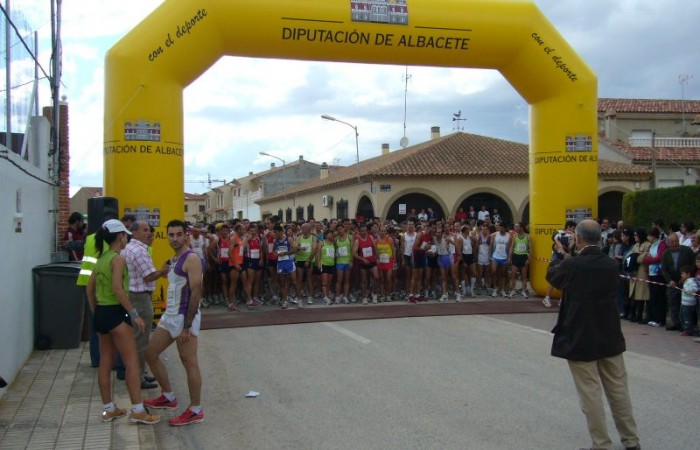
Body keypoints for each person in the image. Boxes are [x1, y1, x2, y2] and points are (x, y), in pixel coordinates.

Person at [546, 219, 640, 450]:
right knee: (618, 390)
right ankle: (631, 440)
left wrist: (560, 253)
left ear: (577, 239)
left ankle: (601, 444)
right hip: (609, 334)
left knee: (591, 394)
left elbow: (552, 276)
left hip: (581, 335)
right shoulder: (610, 264)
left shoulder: (572, 264)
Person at [86, 219, 160, 425]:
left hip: (101, 312)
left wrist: (96, 312)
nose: (127, 238)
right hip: (116, 313)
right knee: (132, 363)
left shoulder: (100, 259)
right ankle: (137, 410)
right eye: (126, 235)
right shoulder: (117, 259)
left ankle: (109, 409)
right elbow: (118, 288)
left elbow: (89, 289)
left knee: (105, 362)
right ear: (120, 236)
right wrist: (134, 313)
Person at [144, 219, 205, 426]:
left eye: (179, 234)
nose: (175, 238)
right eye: (171, 235)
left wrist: (187, 326)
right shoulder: (174, 259)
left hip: (183, 318)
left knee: (189, 362)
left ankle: (196, 409)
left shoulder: (192, 259)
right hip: (169, 316)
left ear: (186, 235)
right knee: (150, 353)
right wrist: (162, 271)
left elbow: (196, 292)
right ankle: (168, 397)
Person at [118, 221, 170, 388]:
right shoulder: (139, 251)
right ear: (135, 233)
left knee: (136, 337)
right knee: (141, 339)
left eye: (150, 230)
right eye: (145, 230)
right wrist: (163, 271)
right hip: (140, 298)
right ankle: (138, 376)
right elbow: (149, 276)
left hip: (132, 296)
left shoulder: (128, 248)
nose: (149, 233)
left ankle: (139, 372)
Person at [660, 233, 696, 331]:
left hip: (685, 280)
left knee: (685, 304)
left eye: (676, 241)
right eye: (672, 242)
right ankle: (676, 323)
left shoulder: (687, 251)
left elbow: (693, 264)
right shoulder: (666, 253)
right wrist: (669, 280)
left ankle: (686, 324)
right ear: (668, 243)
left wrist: (687, 276)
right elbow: (664, 269)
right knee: (673, 303)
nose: (675, 243)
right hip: (672, 281)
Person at [678, 265, 698, 336]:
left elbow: (695, 289)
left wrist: (687, 290)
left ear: (688, 274)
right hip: (684, 302)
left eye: (683, 273)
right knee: (682, 316)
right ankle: (685, 328)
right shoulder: (686, 281)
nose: (681, 275)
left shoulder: (691, 281)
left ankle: (689, 330)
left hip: (689, 303)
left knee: (687, 317)